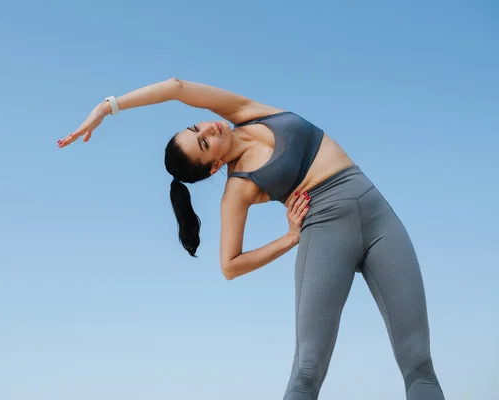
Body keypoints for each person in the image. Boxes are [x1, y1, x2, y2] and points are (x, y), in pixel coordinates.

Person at [57, 78, 445, 400]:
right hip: (325, 233)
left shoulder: (247, 113)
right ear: (212, 169)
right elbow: (229, 266)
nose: (208, 129)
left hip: (379, 215)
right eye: (205, 143)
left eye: (197, 129)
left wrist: (108, 107)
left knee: (419, 364)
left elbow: (175, 86)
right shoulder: (238, 190)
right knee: (307, 373)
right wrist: (290, 238)